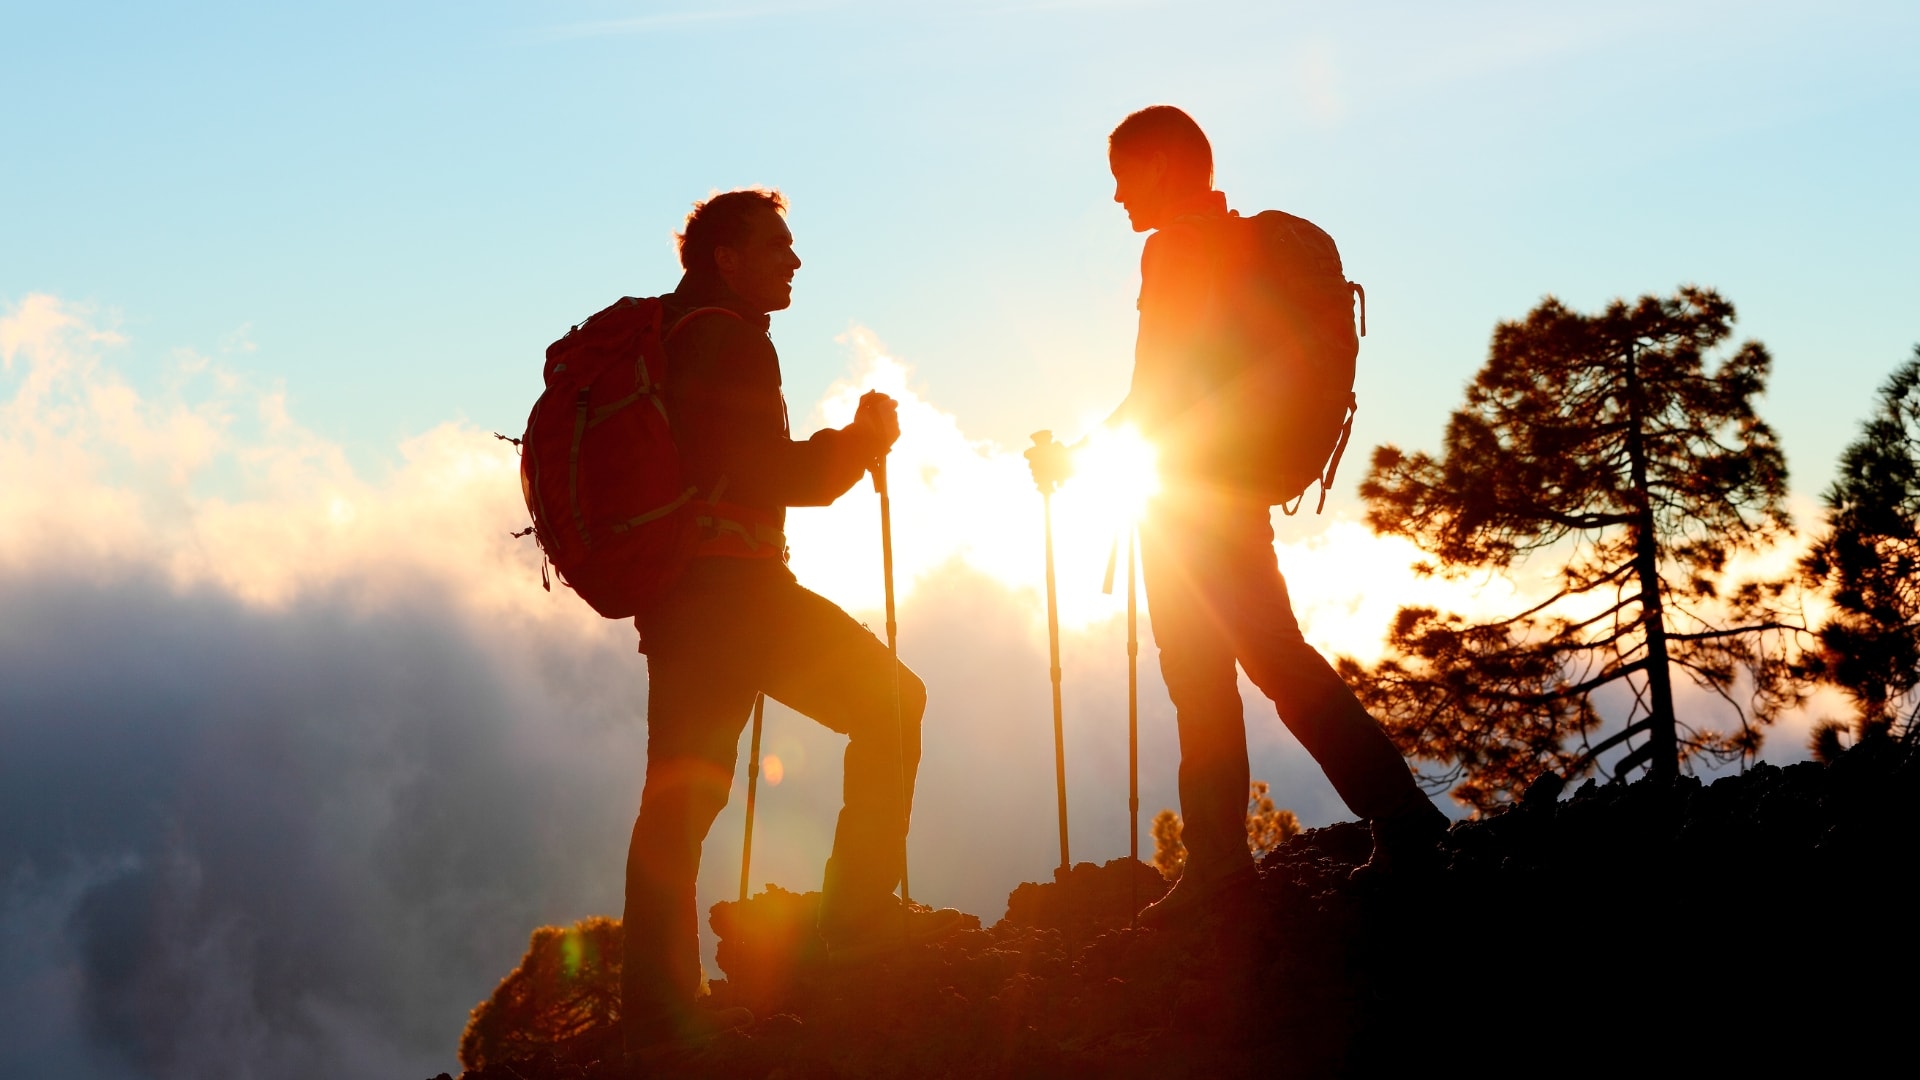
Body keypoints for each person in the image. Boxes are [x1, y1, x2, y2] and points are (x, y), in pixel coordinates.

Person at [1027, 106, 1447, 927]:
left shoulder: (1176, 249)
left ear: (1158, 165)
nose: (1115, 196)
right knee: (1268, 660)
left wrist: (1074, 459)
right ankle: (1382, 823)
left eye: (1122, 175)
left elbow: (1157, 390)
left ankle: (1241, 860)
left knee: (1213, 675)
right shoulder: (1236, 246)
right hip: (1233, 487)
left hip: (1191, 500)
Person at [623, 188, 958, 1060]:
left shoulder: (679, 335)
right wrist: (858, 442)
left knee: (680, 799)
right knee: (892, 702)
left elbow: (736, 472)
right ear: (727, 256)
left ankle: (657, 1009)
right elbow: (777, 475)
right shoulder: (728, 339)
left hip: (685, 602)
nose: (795, 261)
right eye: (778, 246)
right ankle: (856, 922)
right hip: (736, 598)